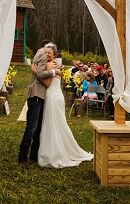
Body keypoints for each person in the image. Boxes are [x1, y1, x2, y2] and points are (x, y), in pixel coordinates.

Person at [37, 44, 93, 168]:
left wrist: (36, 72)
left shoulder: (50, 65)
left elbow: (47, 83)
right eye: (44, 52)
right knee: (58, 123)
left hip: (52, 96)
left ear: (54, 55)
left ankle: (53, 154)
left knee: (52, 123)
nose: (46, 55)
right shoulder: (55, 65)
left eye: (49, 53)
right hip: (56, 95)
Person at [17, 40, 56, 169]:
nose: (47, 53)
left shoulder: (43, 56)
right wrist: (54, 72)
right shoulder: (42, 55)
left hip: (40, 95)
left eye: (50, 52)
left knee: (38, 127)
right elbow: (40, 73)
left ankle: (34, 155)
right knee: (32, 127)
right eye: (47, 50)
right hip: (36, 95)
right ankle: (22, 157)